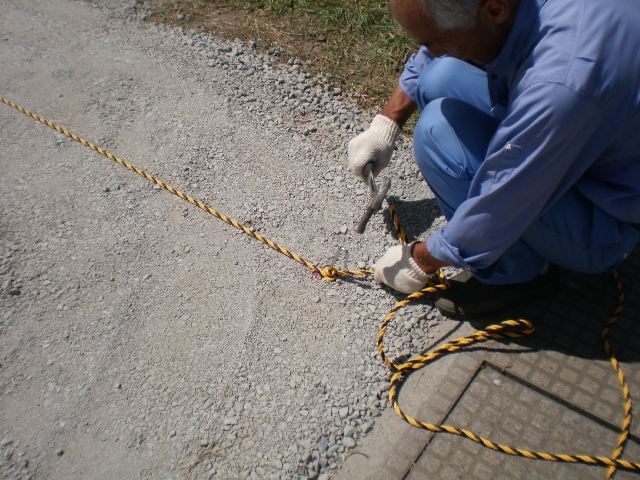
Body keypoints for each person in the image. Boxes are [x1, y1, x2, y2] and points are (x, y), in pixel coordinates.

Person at [348, 0, 640, 318]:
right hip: (592, 145)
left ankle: (516, 273)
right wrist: (386, 125)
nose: (431, 50)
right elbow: (436, 46)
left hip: (608, 222)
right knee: (438, 75)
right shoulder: (514, 12)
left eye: (436, 42)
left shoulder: (560, 85)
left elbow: (501, 202)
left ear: (494, 10)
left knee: (435, 133)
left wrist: (422, 260)